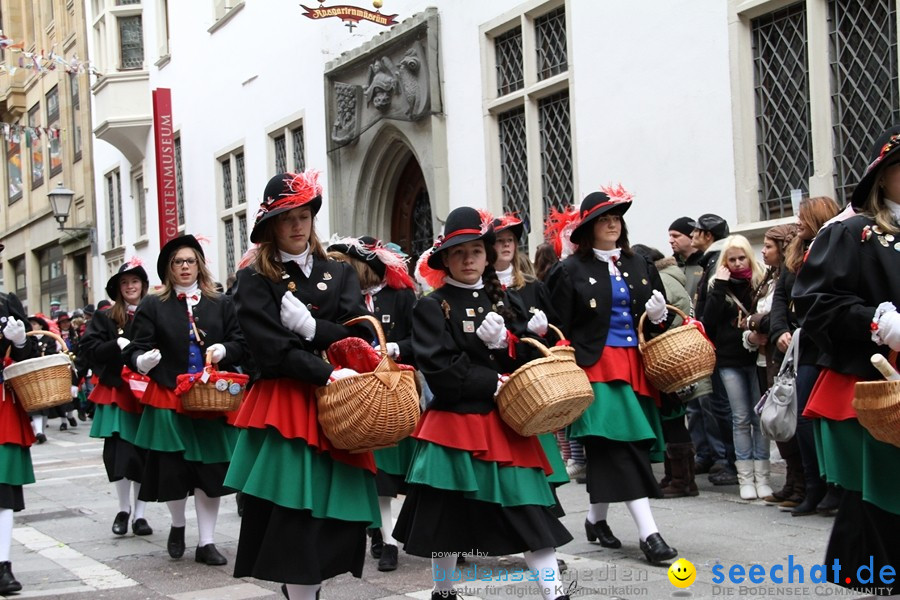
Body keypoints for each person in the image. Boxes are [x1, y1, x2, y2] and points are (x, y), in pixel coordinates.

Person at [394, 206, 573, 600]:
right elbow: (439, 368)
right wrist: (489, 372)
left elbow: (528, 358)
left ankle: (556, 594)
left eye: (476, 250)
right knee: (446, 516)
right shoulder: (431, 305)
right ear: (445, 260)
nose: (468, 259)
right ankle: (443, 592)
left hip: (506, 423)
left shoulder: (505, 299)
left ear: (487, 254)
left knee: (530, 509)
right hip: (455, 424)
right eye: (459, 253)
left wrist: (509, 344)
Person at [226, 172, 379, 600]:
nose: (297, 225)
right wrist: (325, 369)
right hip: (286, 405)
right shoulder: (255, 280)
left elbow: (358, 338)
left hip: (341, 400)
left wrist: (311, 328)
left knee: (334, 517)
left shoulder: (340, 272)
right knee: (293, 519)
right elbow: (270, 350)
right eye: (285, 217)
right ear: (271, 226)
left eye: (304, 215)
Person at [792, 125, 900, 589]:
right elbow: (815, 303)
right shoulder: (853, 232)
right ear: (884, 175)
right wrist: (874, 320)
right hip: (877, 382)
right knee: (883, 496)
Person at [547, 185, 677, 564]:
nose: (612, 224)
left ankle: (594, 521)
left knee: (617, 449)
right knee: (619, 447)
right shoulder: (569, 269)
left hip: (636, 367)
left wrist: (658, 318)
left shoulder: (640, 264)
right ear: (588, 229)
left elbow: (656, 324)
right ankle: (649, 534)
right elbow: (559, 327)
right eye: (604, 219)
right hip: (596, 369)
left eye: (616, 218)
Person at [124, 234, 246, 567]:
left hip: (210, 399)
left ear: (200, 265)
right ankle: (178, 525)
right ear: (169, 268)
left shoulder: (220, 302)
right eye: (178, 262)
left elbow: (240, 343)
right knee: (172, 472)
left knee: (210, 474)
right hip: (168, 397)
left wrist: (225, 350)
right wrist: (141, 362)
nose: (185, 267)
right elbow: (134, 348)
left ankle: (206, 542)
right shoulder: (153, 304)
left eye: (190, 261)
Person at [326, 234, 418, 573]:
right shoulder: (341, 301)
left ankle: (388, 533)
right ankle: (386, 538)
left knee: (396, 472)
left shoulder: (401, 297)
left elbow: (419, 341)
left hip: (395, 392)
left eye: (345, 265)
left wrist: (394, 349)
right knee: (375, 472)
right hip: (357, 396)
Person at [491, 214, 570, 514]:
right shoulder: (484, 289)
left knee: (539, 461)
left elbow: (556, 330)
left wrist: (543, 331)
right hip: (502, 384)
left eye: (510, 240)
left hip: (534, 384)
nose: (506, 245)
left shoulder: (534, 287)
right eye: (499, 241)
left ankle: (545, 530)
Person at [768, 196, 841, 516]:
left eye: (802, 216)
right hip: (799, 348)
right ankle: (813, 488)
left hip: (821, 346)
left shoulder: (833, 247)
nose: (797, 222)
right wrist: (779, 330)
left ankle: (830, 487)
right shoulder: (796, 252)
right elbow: (782, 296)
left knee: (813, 419)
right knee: (802, 420)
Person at [79, 258, 154, 537]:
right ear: (118, 289)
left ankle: (141, 515)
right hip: (118, 392)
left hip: (148, 392)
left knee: (146, 453)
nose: (130, 286)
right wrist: (115, 345)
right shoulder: (106, 317)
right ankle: (124, 509)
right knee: (120, 454)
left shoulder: (155, 312)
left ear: (143, 286)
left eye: (135, 281)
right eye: (125, 283)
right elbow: (90, 350)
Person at [703, 234, 770, 500]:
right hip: (729, 359)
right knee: (740, 418)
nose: (738, 263)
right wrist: (719, 285)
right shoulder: (716, 284)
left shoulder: (760, 281)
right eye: (732, 259)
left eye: (742, 257)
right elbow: (708, 321)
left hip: (756, 358)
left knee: (759, 418)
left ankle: (762, 476)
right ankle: (745, 478)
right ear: (724, 262)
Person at [746, 224, 805, 509]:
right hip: (764, 359)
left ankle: (801, 482)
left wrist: (759, 321)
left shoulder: (792, 274)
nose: (764, 251)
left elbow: (773, 317)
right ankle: (792, 482)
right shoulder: (768, 279)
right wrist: (755, 322)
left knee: (789, 416)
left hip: (784, 357)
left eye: (768, 246)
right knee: (775, 417)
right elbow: (753, 316)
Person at [631, 244, 697, 498]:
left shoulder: (662, 281)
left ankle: (682, 480)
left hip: (667, 357)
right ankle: (678, 477)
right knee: (674, 418)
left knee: (673, 419)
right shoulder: (671, 277)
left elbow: (666, 318)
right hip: (672, 356)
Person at [687, 213, 737, 485]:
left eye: (697, 231)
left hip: (721, 345)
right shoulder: (709, 260)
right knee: (718, 405)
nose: (693, 235)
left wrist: (704, 324)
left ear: (708, 235)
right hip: (717, 344)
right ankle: (724, 458)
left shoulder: (718, 261)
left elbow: (715, 306)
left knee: (723, 407)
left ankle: (730, 461)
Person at [0, 286, 39, 594]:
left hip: (2, 408)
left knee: (3, 492)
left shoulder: (7, 302)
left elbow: (30, 360)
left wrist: (21, 341)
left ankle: (3, 566)